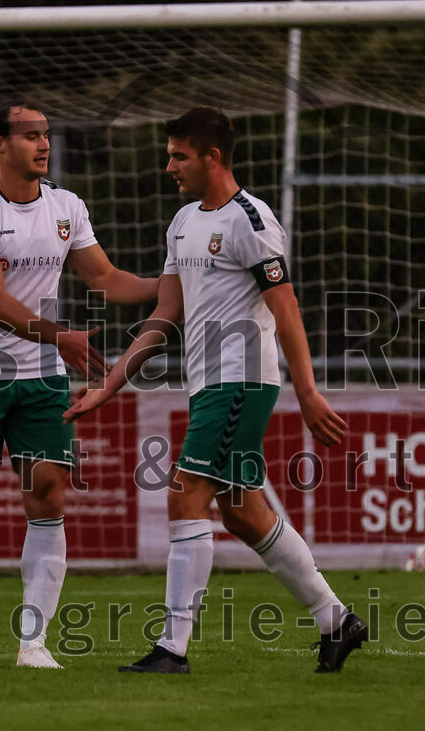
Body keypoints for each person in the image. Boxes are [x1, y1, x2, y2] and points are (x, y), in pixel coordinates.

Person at [65, 107, 366, 674]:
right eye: (169, 155)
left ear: (213, 157)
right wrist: (108, 387)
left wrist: (307, 391)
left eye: (179, 156)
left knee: (184, 495)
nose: (169, 166)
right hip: (210, 385)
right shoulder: (182, 222)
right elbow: (165, 314)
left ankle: (172, 650)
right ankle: (336, 621)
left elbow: (286, 309)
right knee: (243, 513)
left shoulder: (251, 220)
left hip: (241, 380)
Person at [0, 102, 158, 668]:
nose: (43, 144)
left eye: (46, 135)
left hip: (41, 377)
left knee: (49, 496)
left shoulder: (67, 207)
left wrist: (172, 283)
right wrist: (61, 337)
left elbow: (105, 277)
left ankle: (33, 642)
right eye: (30, 135)